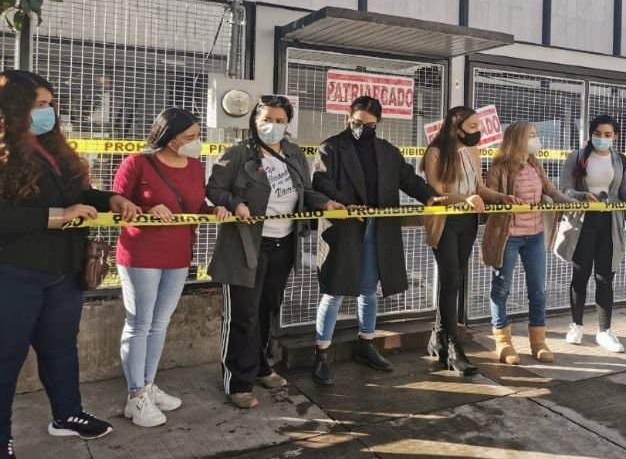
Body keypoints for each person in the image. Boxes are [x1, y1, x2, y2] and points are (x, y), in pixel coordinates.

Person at [0, 70, 141, 456]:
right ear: (13, 108)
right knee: (6, 357)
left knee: (61, 348)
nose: (47, 112)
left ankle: (67, 414)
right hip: (14, 272)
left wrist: (109, 199)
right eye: (37, 105)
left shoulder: (53, 149)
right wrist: (55, 216)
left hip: (63, 270)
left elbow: (78, 194)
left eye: (49, 104)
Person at [207, 95, 340, 409]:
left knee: (267, 310)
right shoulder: (239, 153)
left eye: (280, 121)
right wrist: (234, 203)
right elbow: (214, 189)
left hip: (283, 244)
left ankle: (260, 366)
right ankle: (238, 381)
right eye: (267, 119)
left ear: (288, 123)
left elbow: (306, 191)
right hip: (245, 245)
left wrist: (325, 203)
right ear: (254, 121)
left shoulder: (293, 153)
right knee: (242, 315)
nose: (273, 126)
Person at [311, 96, 444, 385]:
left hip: (377, 229)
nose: (362, 128)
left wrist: (430, 197)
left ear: (378, 124)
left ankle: (366, 344)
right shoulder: (330, 148)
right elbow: (321, 182)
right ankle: (321, 353)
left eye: (369, 125)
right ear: (348, 117)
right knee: (334, 291)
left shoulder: (387, 151)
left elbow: (409, 179)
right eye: (357, 122)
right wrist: (346, 204)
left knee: (368, 290)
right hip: (344, 227)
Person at [113, 108, 232, 427]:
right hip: (141, 252)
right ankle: (136, 396)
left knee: (160, 322)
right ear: (169, 137)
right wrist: (146, 208)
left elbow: (195, 205)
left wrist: (214, 210)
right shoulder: (137, 162)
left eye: (197, 135)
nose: (196, 142)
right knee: (139, 322)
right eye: (190, 136)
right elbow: (116, 202)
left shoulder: (195, 166)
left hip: (179, 254)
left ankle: (148, 385)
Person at [422, 106, 521, 375]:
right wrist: (464, 199)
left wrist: (500, 197)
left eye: (479, 126)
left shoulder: (473, 151)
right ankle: (453, 347)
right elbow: (436, 194)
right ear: (456, 128)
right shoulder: (435, 153)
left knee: (455, 280)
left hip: (468, 222)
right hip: (445, 222)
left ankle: (439, 337)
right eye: (473, 127)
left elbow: (479, 188)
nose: (478, 132)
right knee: (451, 278)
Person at [481, 120, 575, 365]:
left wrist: (572, 203)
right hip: (508, 236)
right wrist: (503, 199)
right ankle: (503, 341)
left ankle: (538, 342)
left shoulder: (535, 164)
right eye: (531, 135)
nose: (536, 139)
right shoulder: (498, 168)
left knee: (538, 290)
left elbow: (551, 190)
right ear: (517, 139)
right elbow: (489, 198)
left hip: (535, 235)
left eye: (536, 134)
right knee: (501, 288)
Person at [555, 115, 626, 353]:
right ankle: (576, 325)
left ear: (615, 136)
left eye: (608, 135)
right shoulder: (577, 156)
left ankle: (604, 330)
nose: (602, 138)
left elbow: (624, 191)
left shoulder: (620, 159)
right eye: (598, 134)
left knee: (605, 276)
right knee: (581, 274)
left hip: (610, 221)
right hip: (582, 221)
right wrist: (581, 196)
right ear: (591, 134)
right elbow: (565, 188)